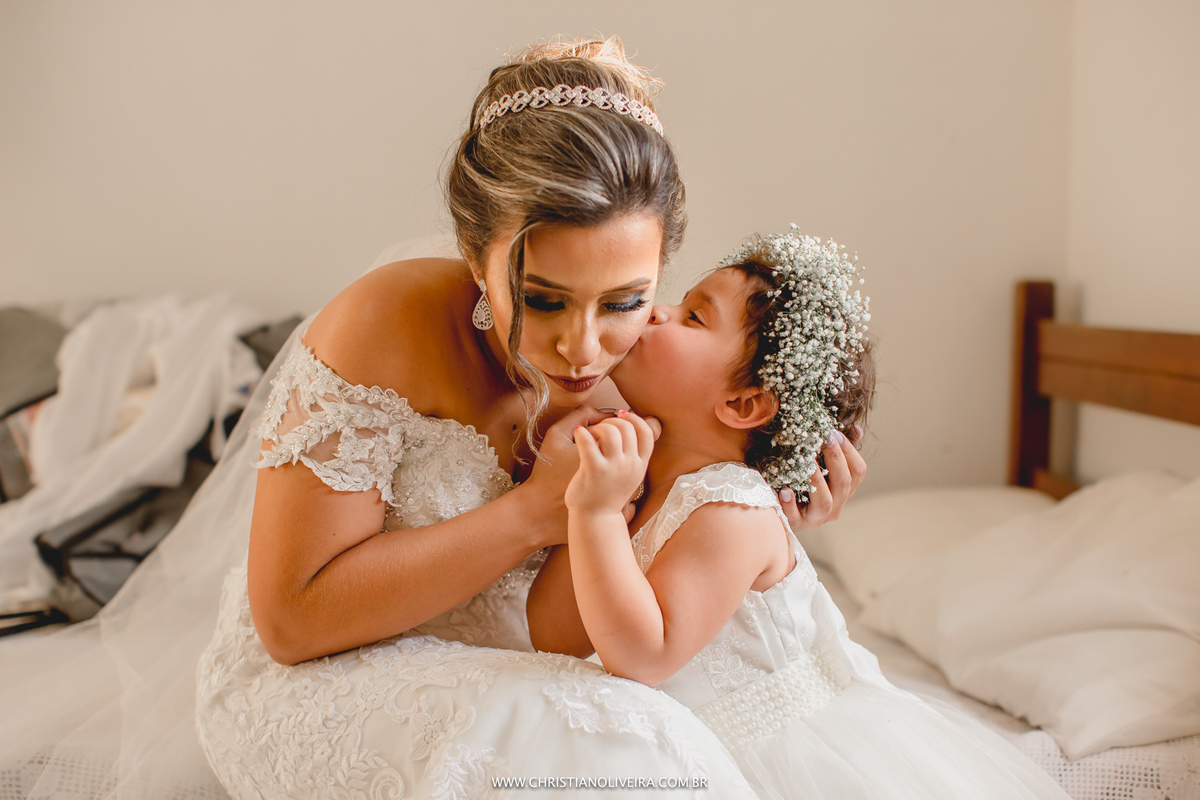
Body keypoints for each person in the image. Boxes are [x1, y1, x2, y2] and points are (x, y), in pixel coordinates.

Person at [0, 38, 871, 800]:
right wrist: (534, 511)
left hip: (521, 675)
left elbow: (686, 525)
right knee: (577, 742)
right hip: (323, 678)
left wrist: (776, 490)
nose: (583, 347)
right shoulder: (383, 327)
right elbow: (292, 622)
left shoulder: (648, 368)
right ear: (472, 257)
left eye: (629, 299)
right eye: (542, 298)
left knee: (625, 740)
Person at [542, 228, 1071, 799]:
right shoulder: (641, 479)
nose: (655, 313)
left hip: (770, 766)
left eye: (694, 316)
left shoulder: (733, 511)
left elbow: (643, 656)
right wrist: (590, 510)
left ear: (744, 404)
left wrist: (594, 516)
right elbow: (554, 635)